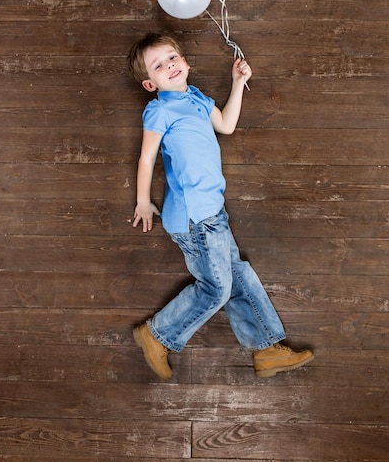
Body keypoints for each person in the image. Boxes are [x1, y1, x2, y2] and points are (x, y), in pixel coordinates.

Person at [127, 32, 313, 380]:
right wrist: (143, 201)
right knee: (217, 288)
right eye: (158, 64)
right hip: (193, 218)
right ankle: (157, 335)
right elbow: (146, 157)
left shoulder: (197, 99)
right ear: (150, 84)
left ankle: (265, 349)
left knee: (239, 277)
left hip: (214, 211)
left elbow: (226, 125)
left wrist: (237, 82)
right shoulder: (160, 110)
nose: (169, 64)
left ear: (185, 63)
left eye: (172, 57)